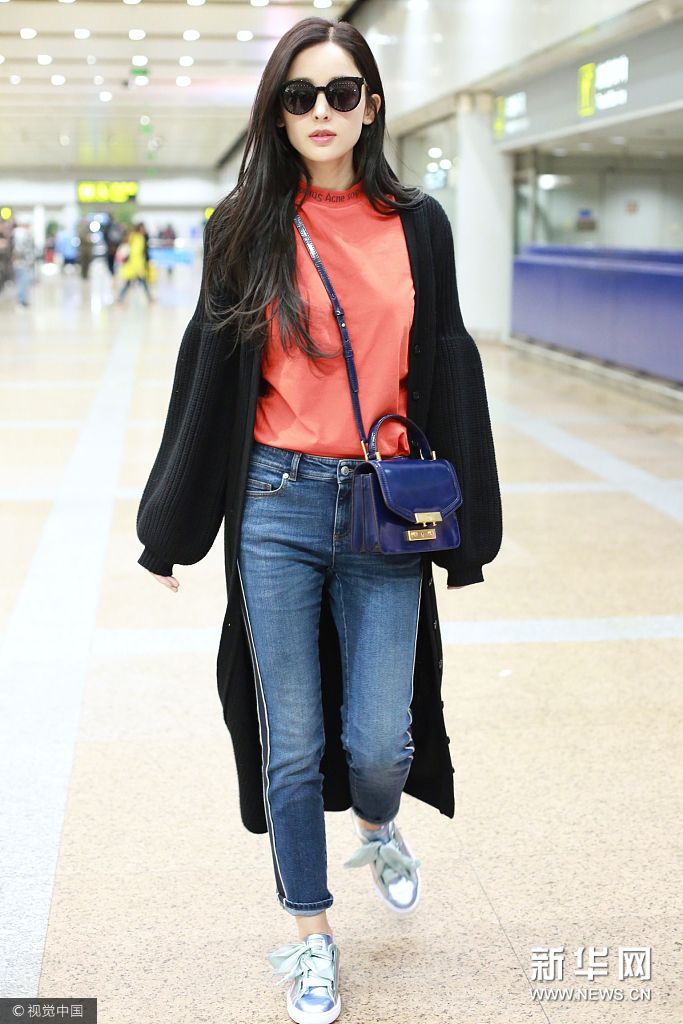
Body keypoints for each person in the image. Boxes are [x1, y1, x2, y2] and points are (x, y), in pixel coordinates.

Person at [135, 16, 502, 1024]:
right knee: (289, 741)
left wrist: (468, 530)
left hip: (383, 508)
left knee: (381, 741)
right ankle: (310, 934)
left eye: (341, 93)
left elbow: (446, 362)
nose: (321, 112)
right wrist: (170, 528)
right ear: (277, 113)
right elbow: (206, 378)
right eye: (299, 97)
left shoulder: (418, 223)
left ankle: (378, 824)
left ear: (370, 106)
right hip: (275, 505)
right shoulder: (243, 225)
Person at [116, 222, 152, 303]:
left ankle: (120, 298)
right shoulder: (137, 238)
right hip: (135, 265)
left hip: (136, 264)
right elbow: (136, 252)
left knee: (140, 282)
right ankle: (120, 298)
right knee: (130, 282)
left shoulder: (136, 237)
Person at [11, 221, 36, 307]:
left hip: (21, 262)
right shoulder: (21, 235)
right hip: (22, 263)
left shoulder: (17, 234)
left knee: (22, 281)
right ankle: (21, 300)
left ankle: (22, 299)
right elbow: (21, 250)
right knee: (22, 282)